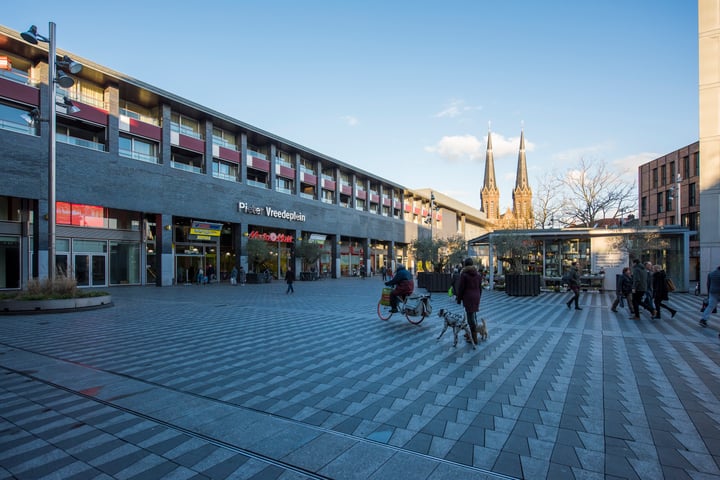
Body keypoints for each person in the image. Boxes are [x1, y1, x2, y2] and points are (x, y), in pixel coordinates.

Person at [455, 258, 483, 344]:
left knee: (470, 318)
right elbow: (480, 288)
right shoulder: (478, 274)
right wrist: (478, 296)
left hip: (468, 297)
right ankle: (471, 334)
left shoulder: (464, 275)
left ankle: (474, 338)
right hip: (476, 296)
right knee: (474, 315)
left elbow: (461, 288)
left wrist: (459, 299)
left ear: (465, 265)